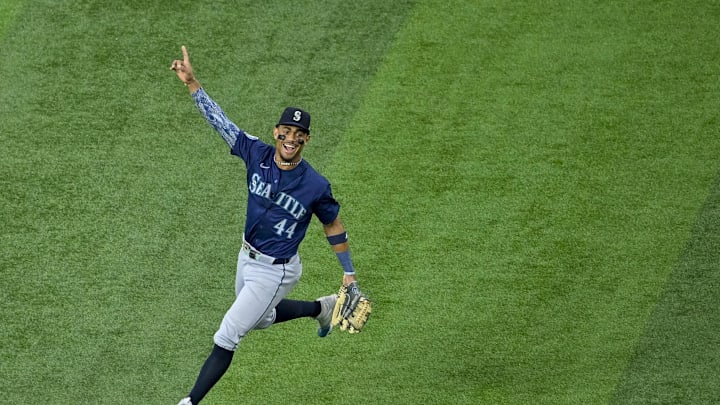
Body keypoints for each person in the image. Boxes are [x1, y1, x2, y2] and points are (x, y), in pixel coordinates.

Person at [170, 45, 363, 405]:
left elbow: (333, 225)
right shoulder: (256, 154)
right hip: (245, 257)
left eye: (299, 133)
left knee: (227, 335)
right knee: (258, 319)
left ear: (306, 139)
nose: (292, 138)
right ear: (276, 131)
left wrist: (349, 273)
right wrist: (192, 83)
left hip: (277, 271)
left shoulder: (315, 185)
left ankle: (189, 402)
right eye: (286, 130)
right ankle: (322, 308)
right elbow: (221, 122)